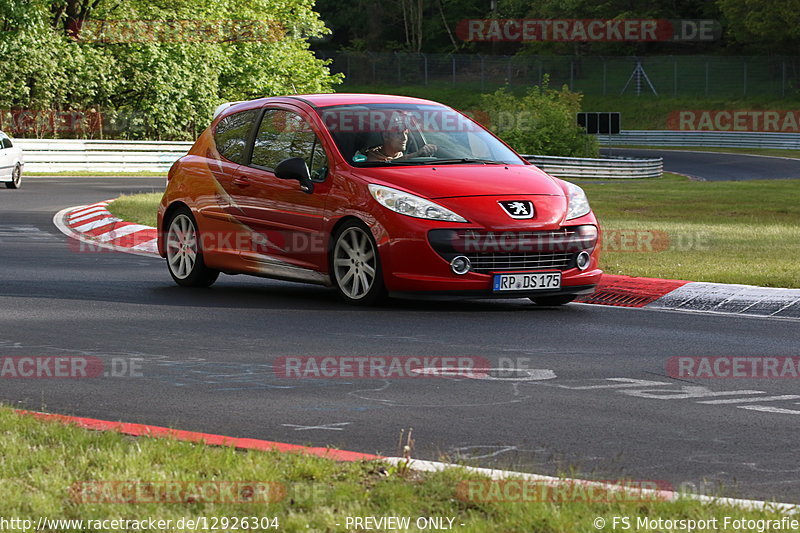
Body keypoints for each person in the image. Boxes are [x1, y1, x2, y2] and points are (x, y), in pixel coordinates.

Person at [365, 123, 437, 162]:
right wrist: (415, 155)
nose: (404, 138)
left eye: (406, 134)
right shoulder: (371, 159)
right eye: (399, 133)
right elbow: (387, 164)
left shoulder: (403, 156)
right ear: (385, 136)